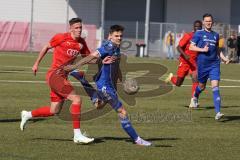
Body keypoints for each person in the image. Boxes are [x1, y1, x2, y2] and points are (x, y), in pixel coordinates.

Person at [64, 25, 152, 146]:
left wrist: (121, 80)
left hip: (109, 85)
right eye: (116, 36)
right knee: (122, 111)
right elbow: (91, 57)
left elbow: (115, 65)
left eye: (121, 36)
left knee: (98, 105)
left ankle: (82, 78)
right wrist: (74, 66)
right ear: (110, 36)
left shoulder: (116, 48)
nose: (119, 38)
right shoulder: (108, 46)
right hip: (105, 86)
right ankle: (137, 139)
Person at [20, 18, 95, 144]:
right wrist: (36, 63)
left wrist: (103, 58)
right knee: (77, 99)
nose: (79, 30)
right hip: (54, 75)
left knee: (54, 110)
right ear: (70, 28)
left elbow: (89, 58)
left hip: (62, 77)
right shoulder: (61, 37)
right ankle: (77, 135)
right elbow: (46, 47)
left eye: (80, 27)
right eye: (76, 28)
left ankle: (28, 114)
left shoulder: (82, 43)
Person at [189, 13, 230, 120]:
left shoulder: (216, 35)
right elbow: (191, 47)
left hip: (214, 64)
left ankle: (218, 112)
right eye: (206, 21)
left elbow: (217, 50)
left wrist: (224, 58)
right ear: (203, 22)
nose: (208, 23)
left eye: (210, 21)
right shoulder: (198, 33)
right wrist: (202, 50)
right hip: (202, 64)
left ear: (212, 22)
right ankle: (195, 96)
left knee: (215, 86)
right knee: (201, 86)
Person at [165, 20, 202, 108]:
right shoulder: (188, 36)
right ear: (194, 27)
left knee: (195, 79)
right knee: (178, 83)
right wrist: (185, 56)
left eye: (199, 27)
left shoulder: (202, 37)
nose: (197, 28)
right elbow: (178, 47)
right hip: (184, 61)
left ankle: (194, 101)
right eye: (196, 26)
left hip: (194, 63)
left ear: (201, 28)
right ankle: (171, 78)